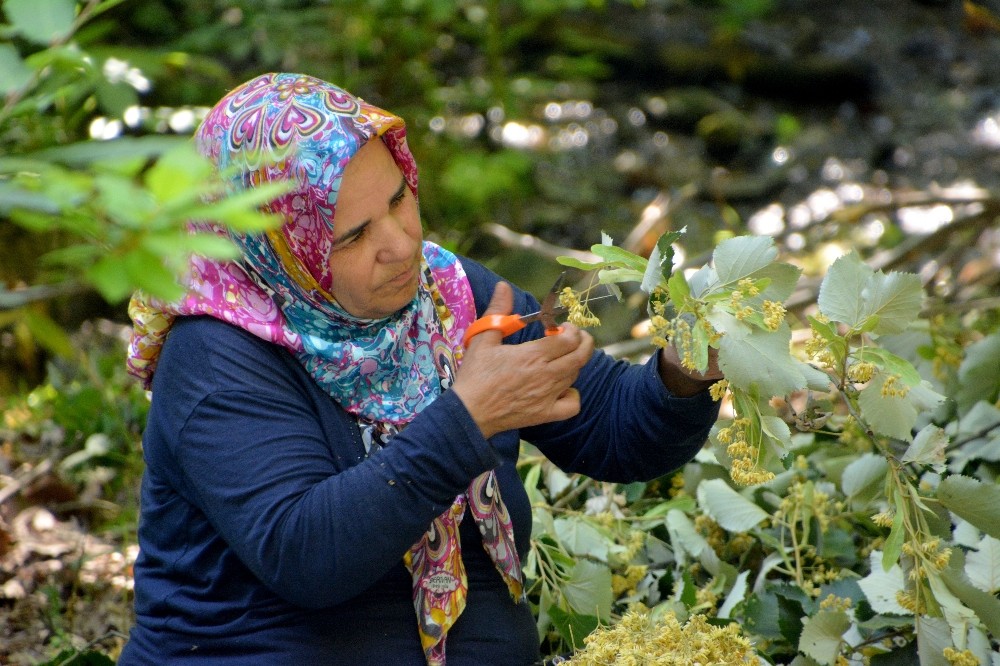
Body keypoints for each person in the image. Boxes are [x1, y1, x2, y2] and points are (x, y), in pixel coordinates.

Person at [118, 72, 722, 666]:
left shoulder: (444, 295)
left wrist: (686, 366)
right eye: (353, 236)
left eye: (398, 199)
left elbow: (611, 427)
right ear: (280, 255)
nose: (402, 244)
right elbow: (306, 555)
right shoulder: (216, 355)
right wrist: (468, 417)